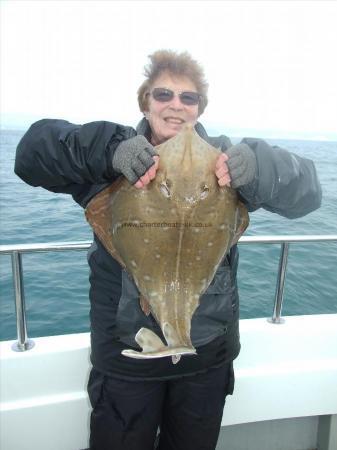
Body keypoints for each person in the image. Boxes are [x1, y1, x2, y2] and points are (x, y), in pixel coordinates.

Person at [14, 49, 322, 450]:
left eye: (188, 98)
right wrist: (109, 151)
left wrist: (261, 169)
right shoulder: (116, 159)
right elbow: (31, 153)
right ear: (146, 102)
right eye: (163, 95)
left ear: (200, 108)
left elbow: (309, 193)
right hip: (128, 362)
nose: (175, 105)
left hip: (205, 359)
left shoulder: (228, 161)